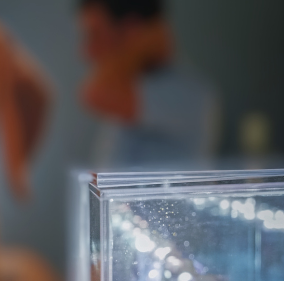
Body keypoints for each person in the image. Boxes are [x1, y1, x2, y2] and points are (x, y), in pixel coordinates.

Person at [79, 0, 220, 167]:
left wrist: (138, 42)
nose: (87, 51)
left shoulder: (189, 92)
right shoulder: (133, 84)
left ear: (132, 29)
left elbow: (95, 93)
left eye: (95, 34)